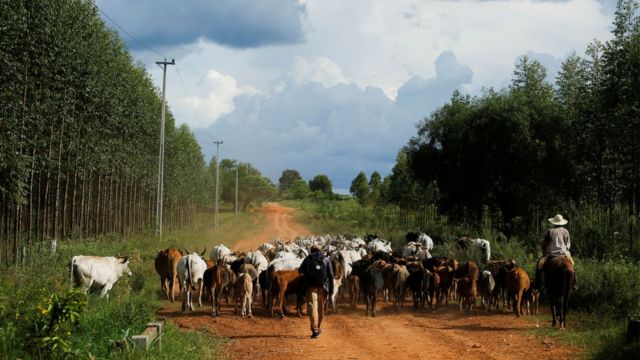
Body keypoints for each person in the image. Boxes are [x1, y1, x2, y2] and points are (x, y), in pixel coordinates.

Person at [298, 245, 334, 338]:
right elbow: (330, 275)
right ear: (320, 250)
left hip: (311, 287)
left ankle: (315, 330)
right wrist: (331, 290)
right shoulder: (326, 259)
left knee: (312, 308)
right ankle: (319, 326)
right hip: (324, 288)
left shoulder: (308, 259)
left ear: (311, 250)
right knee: (321, 308)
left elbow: (300, 270)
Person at [534, 214, 577, 290]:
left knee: (539, 264)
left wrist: (545, 244)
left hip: (550, 254)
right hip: (563, 253)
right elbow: (568, 244)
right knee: (572, 264)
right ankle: (574, 282)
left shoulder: (549, 231)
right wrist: (565, 249)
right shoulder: (566, 231)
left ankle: (538, 284)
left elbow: (541, 242)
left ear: (554, 222)